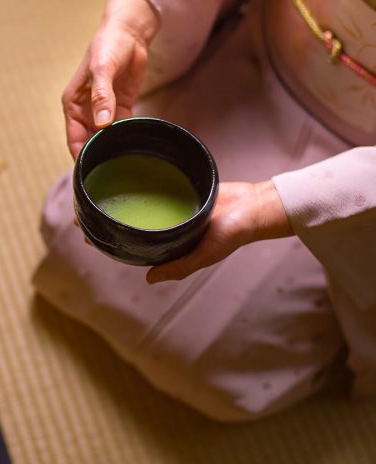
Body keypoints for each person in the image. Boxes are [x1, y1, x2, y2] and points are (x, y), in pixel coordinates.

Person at [33, 0, 376, 421]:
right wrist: (136, 20)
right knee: (72, 237)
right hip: (255, 72)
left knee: (222, 364)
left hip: (362, 177)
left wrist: (279, 204)